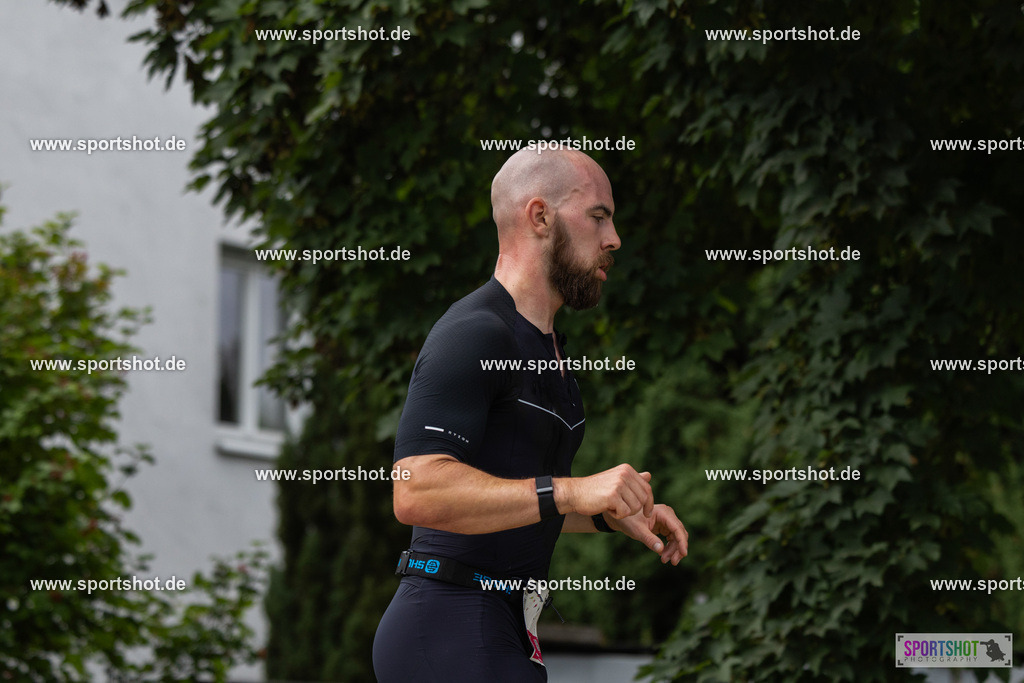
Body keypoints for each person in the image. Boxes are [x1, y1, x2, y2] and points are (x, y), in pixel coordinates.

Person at [372, 148, 688, 682]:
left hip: (501, 629)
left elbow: (514, 499)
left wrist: (606, 515)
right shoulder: (472, 332)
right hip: (446, 625)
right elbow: (416, 490)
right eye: (598, 216)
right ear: (539, 217)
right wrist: (572, 489)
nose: (614, 239)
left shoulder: (551, 353)